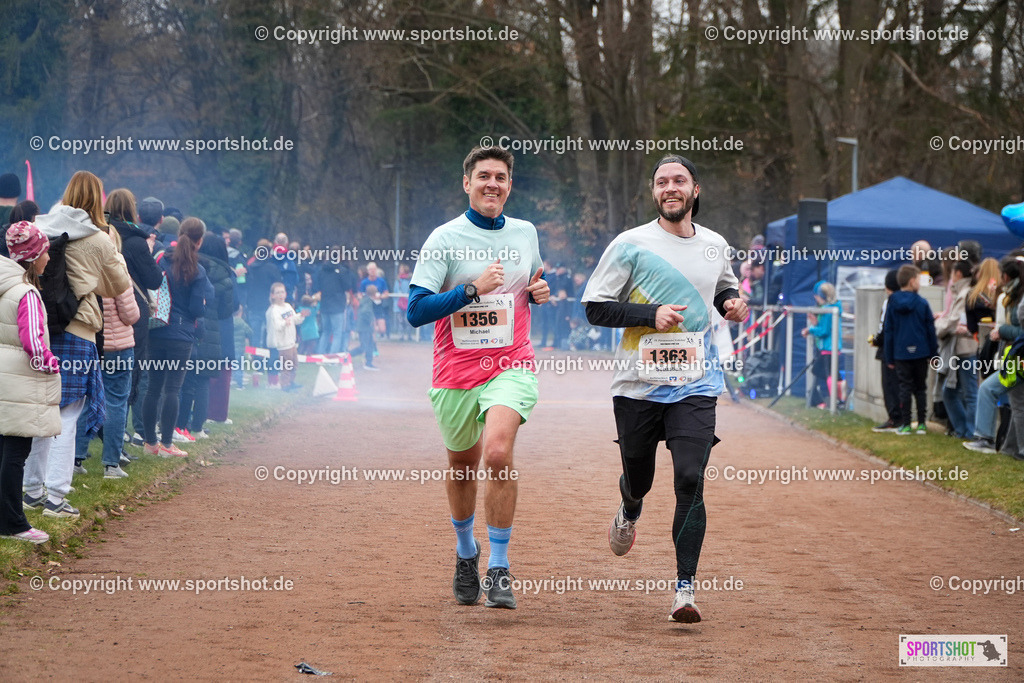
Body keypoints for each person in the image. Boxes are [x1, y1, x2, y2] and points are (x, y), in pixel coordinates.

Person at [582, 154, 746, 623]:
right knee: (641, 478)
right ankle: (630, 505)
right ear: (654, 193)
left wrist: (730, 303)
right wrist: (647, 314)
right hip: (637, 384)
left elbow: (721, 289)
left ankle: (685, 589)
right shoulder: (630, 244)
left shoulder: (715, 244)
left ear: (696, 191)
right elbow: (594, 307)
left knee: (691, 478)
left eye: (679, 180)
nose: (670, 188)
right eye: (661, 182)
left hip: (696, 380)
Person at [406, 145, 548, 610]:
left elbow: (533, 278)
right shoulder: (443, 239)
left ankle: (499, 567)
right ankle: (466, 553)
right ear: (466, 183)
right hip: (455, 371)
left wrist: (539, 290)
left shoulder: (526, 233)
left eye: (501, 177)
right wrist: (470, 290)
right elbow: (414, 312)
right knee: (463, 468)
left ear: (510, 185)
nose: (493, 184)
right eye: (483, 176)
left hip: (511, 364)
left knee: (498, 452)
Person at [24, 172, 131, 518]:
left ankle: (31, 491)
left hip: (39, 327)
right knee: (67, 415)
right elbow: (118, 285)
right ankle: (56, 497)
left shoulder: (42, 227)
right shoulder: (97, 238)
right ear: (97, 200)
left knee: (41, 413)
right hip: (78, 331)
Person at [0, 222, 60, 544]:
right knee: (16, 453)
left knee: (3, 451)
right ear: (32, 256)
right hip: (19, 383)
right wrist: (50, 363)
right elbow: (33, 343)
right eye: (45, 252)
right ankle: (13, 524)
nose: (48, 259)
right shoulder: (27, 293)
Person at [143, 217, 213, 457]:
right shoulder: (198, 270)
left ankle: (150, 442)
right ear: (199, 241)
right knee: (172, 389)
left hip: (157, 328)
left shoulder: (161, 260)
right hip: (181, 335)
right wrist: (202, 304)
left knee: (153, 387)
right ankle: (168, 443)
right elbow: (196, 310)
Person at [106, 189, 163, 446]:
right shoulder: (137, 242)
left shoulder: (100, 236)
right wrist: (149, 254)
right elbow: (154, 279)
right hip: (131, 311)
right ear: (132, 210)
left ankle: (106, 431)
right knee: (131, 372)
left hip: (102, 308)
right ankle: (123, 432)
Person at [965, 256, 1024, 453]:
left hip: (1017, 360)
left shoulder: (1016, 298)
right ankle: (1011, 449)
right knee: (1017, 404)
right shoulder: (1012, 296)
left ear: (1006, 276)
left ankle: (986, 438)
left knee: (989, 390)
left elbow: (1019, 331)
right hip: (1014, 358)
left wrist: (1003, 331)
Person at [884, 265, 939, 436]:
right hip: (921, 352)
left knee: (904, 388)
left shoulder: (892, 303)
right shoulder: (922, 303)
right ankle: (921, 423)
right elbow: (930, 329)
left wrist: (889, 357)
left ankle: (906, 424)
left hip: (900, 352)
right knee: (920, 387)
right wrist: (933, 354)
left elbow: (888, 330)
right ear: (912, 281)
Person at [934, 261, 979, 439]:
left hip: (965, 349)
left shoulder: (965, 293)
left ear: (958, 274)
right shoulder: (962, 292)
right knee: (951, 392)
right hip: (958, 349)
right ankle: (963, 430)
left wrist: (938, 326)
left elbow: (952, 321)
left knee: (968, 393)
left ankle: (970, 432)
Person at [802, 281, 843, 408]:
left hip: (828, 347)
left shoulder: (827, 310)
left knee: (829, 376)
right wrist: (815, 323)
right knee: (826, 373)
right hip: (832, 347)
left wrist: (810, 330)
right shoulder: (836, 306)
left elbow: (824, 331)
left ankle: (837, 401)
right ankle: (824, 400)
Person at [871, 270, 902, 432]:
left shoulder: (890, 301)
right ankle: (902, 418)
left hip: (890, 349)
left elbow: (885, 327)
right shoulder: (909, 299)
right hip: (903, 348)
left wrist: (877, 340)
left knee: (890, 385)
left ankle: (895, 418)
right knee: (901, 385)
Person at [317, 250, 356, 354]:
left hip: (324, 304)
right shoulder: (342, 271)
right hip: (337, 305)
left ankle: (320, 356)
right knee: (337, 333)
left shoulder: (322, 269)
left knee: (326, 332)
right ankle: (332, 358)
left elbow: (317, 285)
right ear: (339, 257)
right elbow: (347, 286)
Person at [265, 282, 301, 391]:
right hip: (282, 343)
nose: (281, 295)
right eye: (278, 292)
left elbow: (295, 319)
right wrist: (285, 323)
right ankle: (285, 385)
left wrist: (301, 316)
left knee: (294, 364)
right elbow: (277, 326)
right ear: (273, 295)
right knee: (286, 365)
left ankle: (291, 382)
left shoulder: (288, 306)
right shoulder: (274, 310)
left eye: (282, 292)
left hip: (291, 341)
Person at [348, 285, 380, 370]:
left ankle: (368, 363)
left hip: (365, 327)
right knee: (364, 346)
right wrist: (371, 321)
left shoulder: (366, 299)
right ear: (374, 293)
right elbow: (366, 312)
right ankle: (347, 356)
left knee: (369, 345)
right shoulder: (368, 301)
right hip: (364, 327)